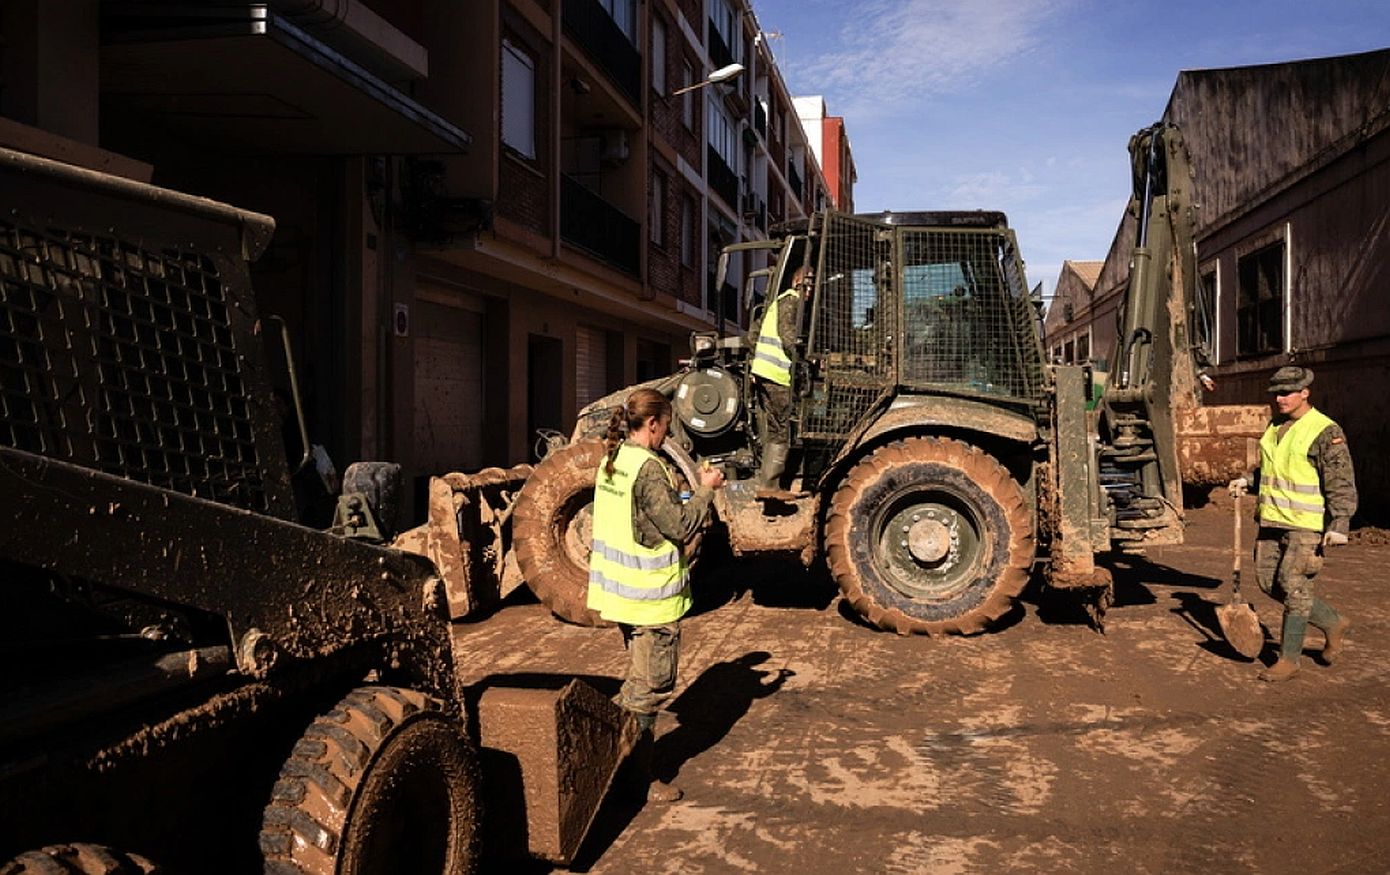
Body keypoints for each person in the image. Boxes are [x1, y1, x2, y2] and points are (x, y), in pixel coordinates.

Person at [587, 388, 725, 801]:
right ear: (652, 424)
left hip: (622, 598)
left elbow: (640, 518)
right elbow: (680, 526)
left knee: (638, 681)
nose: (668, 433)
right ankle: (629, 776)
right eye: (666, 425)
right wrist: (706, 489)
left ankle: (620, 765)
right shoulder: (648, 468)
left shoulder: (614, 460)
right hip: (651, 601)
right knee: (647, 690)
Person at [1233, 365, 1357, 682]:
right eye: (1276, 392)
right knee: (1268, 583)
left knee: (1296, 586)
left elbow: (1340, 482)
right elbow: (1274, 468)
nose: (1280, 398)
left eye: (1287, 392)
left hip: (1306, 525)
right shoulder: (1275, 426)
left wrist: (1340, 522)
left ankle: (1289, 659)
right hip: (1272, 520)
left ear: (1305, 392)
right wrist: (1248, 480)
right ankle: (1332, 621)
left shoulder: (1325, 432)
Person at [750, 264, 811, 499]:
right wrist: (807, 358)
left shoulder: (778, 302)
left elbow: (752, 336)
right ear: (799, 284)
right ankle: (770, 485)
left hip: (767, 373)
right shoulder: (791, 301)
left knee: (776, 427)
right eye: (809, 286)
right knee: (783, 427)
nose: (810, 293)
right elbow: (789, 339)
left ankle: (770, 483)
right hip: (776, 374)